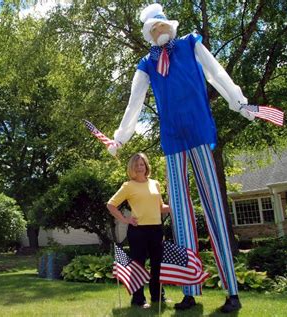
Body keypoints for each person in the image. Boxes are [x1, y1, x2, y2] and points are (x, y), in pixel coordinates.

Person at [107, 3, 251, 313]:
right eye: (153, 29)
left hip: (199, 134)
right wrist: (121, 138)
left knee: (214, 210)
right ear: (149, 35)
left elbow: (217, 74)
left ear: (170, 27)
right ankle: (189, 291)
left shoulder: (189, 44)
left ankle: (232, 291)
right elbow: (135, 103)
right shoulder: (147, 64)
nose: (160, 31)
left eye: (162, 26)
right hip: (172, 142)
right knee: (182, 221)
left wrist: (239, 103)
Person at [107, 153, 170, 308]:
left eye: (142, 164)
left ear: (146, 166)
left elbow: (160, 207)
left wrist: (177, 205)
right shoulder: (128, 186)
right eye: (136, 165)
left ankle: (158, 297)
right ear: (131, 168)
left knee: (158, 264)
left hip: (156, 229)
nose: (139, 167)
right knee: (138, 266)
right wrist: (125, 219)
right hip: (138, 231)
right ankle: (138, 300)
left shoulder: (155, 183)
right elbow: (111, 205)